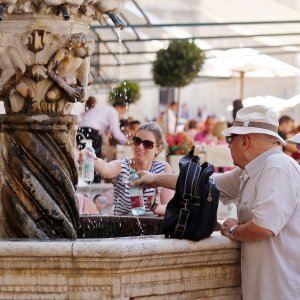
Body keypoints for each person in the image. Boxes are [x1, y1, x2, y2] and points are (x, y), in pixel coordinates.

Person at [129, 105, 300, 300]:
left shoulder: (277, 167)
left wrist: (233, 230)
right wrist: (154, 178)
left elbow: (264, 227)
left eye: (230, 139)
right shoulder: (250, 170)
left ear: (245, 141)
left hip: (282, 290)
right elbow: (200, 183)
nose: (227, 145)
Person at [80, 122, 175, 216]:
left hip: (153, 228)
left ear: (158, 148)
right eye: (137, 141)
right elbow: (107, 169)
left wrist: (156, 208)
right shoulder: (123, 165)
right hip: (122, 227)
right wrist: (93, 159)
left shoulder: (163, 169)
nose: (140, 147)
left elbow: (170, 208)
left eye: (147, 144)